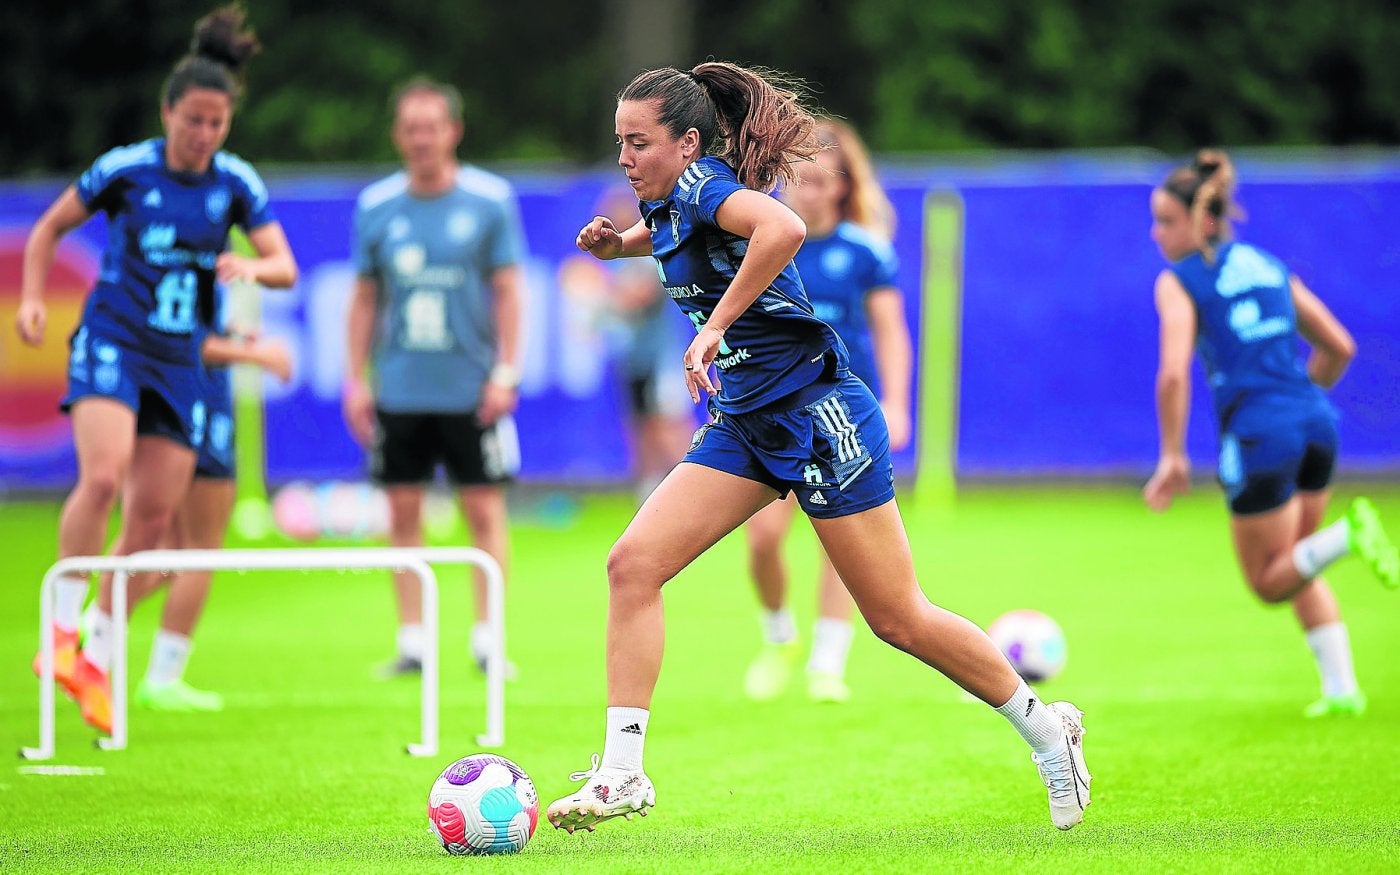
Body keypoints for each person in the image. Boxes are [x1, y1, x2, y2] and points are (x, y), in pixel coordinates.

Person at [545, 62, 1090, 834]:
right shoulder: (666, 202)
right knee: (633, 564)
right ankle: (622, 774)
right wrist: (617, 247)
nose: (625, 157)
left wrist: (713, 326)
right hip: (746, 425)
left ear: (690, 143)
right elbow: (670, 235)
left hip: (819, 415)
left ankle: (1046, 728)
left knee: (898, 618)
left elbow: (782, 226)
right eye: (620, 143)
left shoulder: (704, 186)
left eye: (639, 143)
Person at [17, 3, 297, 734]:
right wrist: (34, 301)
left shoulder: (234, 183)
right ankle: (60, 625)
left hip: (179, 361)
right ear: (168, 112)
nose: (203, 135)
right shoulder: (126, 168)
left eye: (217, 123)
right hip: (114, 340)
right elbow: (48, 227)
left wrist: (253, 266)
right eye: (192, 121)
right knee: (105, 477)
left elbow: (286, 266)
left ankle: (97, 658)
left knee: (153, 526)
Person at [1143, 152, 1398, 718]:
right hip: (1315, 422)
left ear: (1202, 222)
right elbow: (1340, 346)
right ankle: (1342, 691)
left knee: (1267, 581)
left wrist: (1173, 455)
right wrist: (1298, 405)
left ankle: (1350, 537)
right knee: (1298, 561)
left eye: (1166, 222)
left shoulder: (1178, 280)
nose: (1157, 233)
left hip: (1261, 435)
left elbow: (1173, 372)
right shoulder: (1266, 263)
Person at [342, 76, 526, 677]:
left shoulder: (489, 201)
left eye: (433, 127)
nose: (422, 139)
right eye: (412, 129)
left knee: (483, 513)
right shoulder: (376, 207)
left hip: (471, 387)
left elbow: (509, 292)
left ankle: (487, 639)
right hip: (399, 386)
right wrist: (355, 378)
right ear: (399, 135)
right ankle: (413, 642)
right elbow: (364, 299)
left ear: (454, 131)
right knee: (401, 513)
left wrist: (507, 370)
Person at [741, 118, 912, 704]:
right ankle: (778, 636)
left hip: (841, 413)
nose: (807, 191)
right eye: (797, 178)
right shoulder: (763, 238)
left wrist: (896, 403)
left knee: (840, 542)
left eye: (819, 180)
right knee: (762, 539)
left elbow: (890, 332)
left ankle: (827, 662)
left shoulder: (865, 252)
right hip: (773, 412)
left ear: (840, 186)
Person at [604, 256, 695, 502]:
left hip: (661, 360)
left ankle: (694, 483)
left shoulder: (651, 261)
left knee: (667, 425)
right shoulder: (617, 264)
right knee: (640, 426)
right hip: (633, 361)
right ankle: (650, 489)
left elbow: (639, 297)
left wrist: (600, 294)